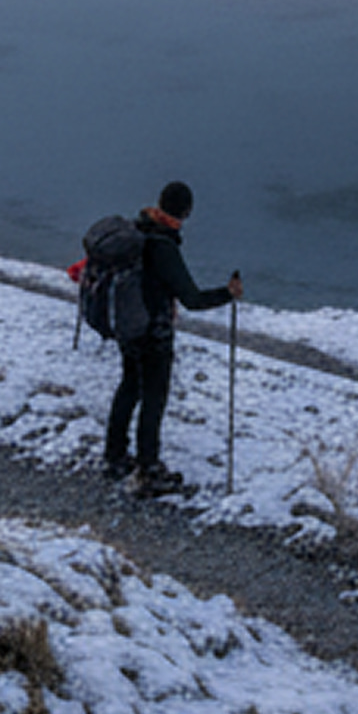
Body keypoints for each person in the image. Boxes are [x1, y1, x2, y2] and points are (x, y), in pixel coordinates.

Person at [103, 179, 240, 496]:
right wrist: (227, 294)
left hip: (129, 325)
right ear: (187, 211)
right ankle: (148, 471)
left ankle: (115, 456)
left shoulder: (139, 229)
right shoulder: (163, 246)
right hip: (153, 332)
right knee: (153, 399)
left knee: (129, 387)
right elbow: (191, 298)